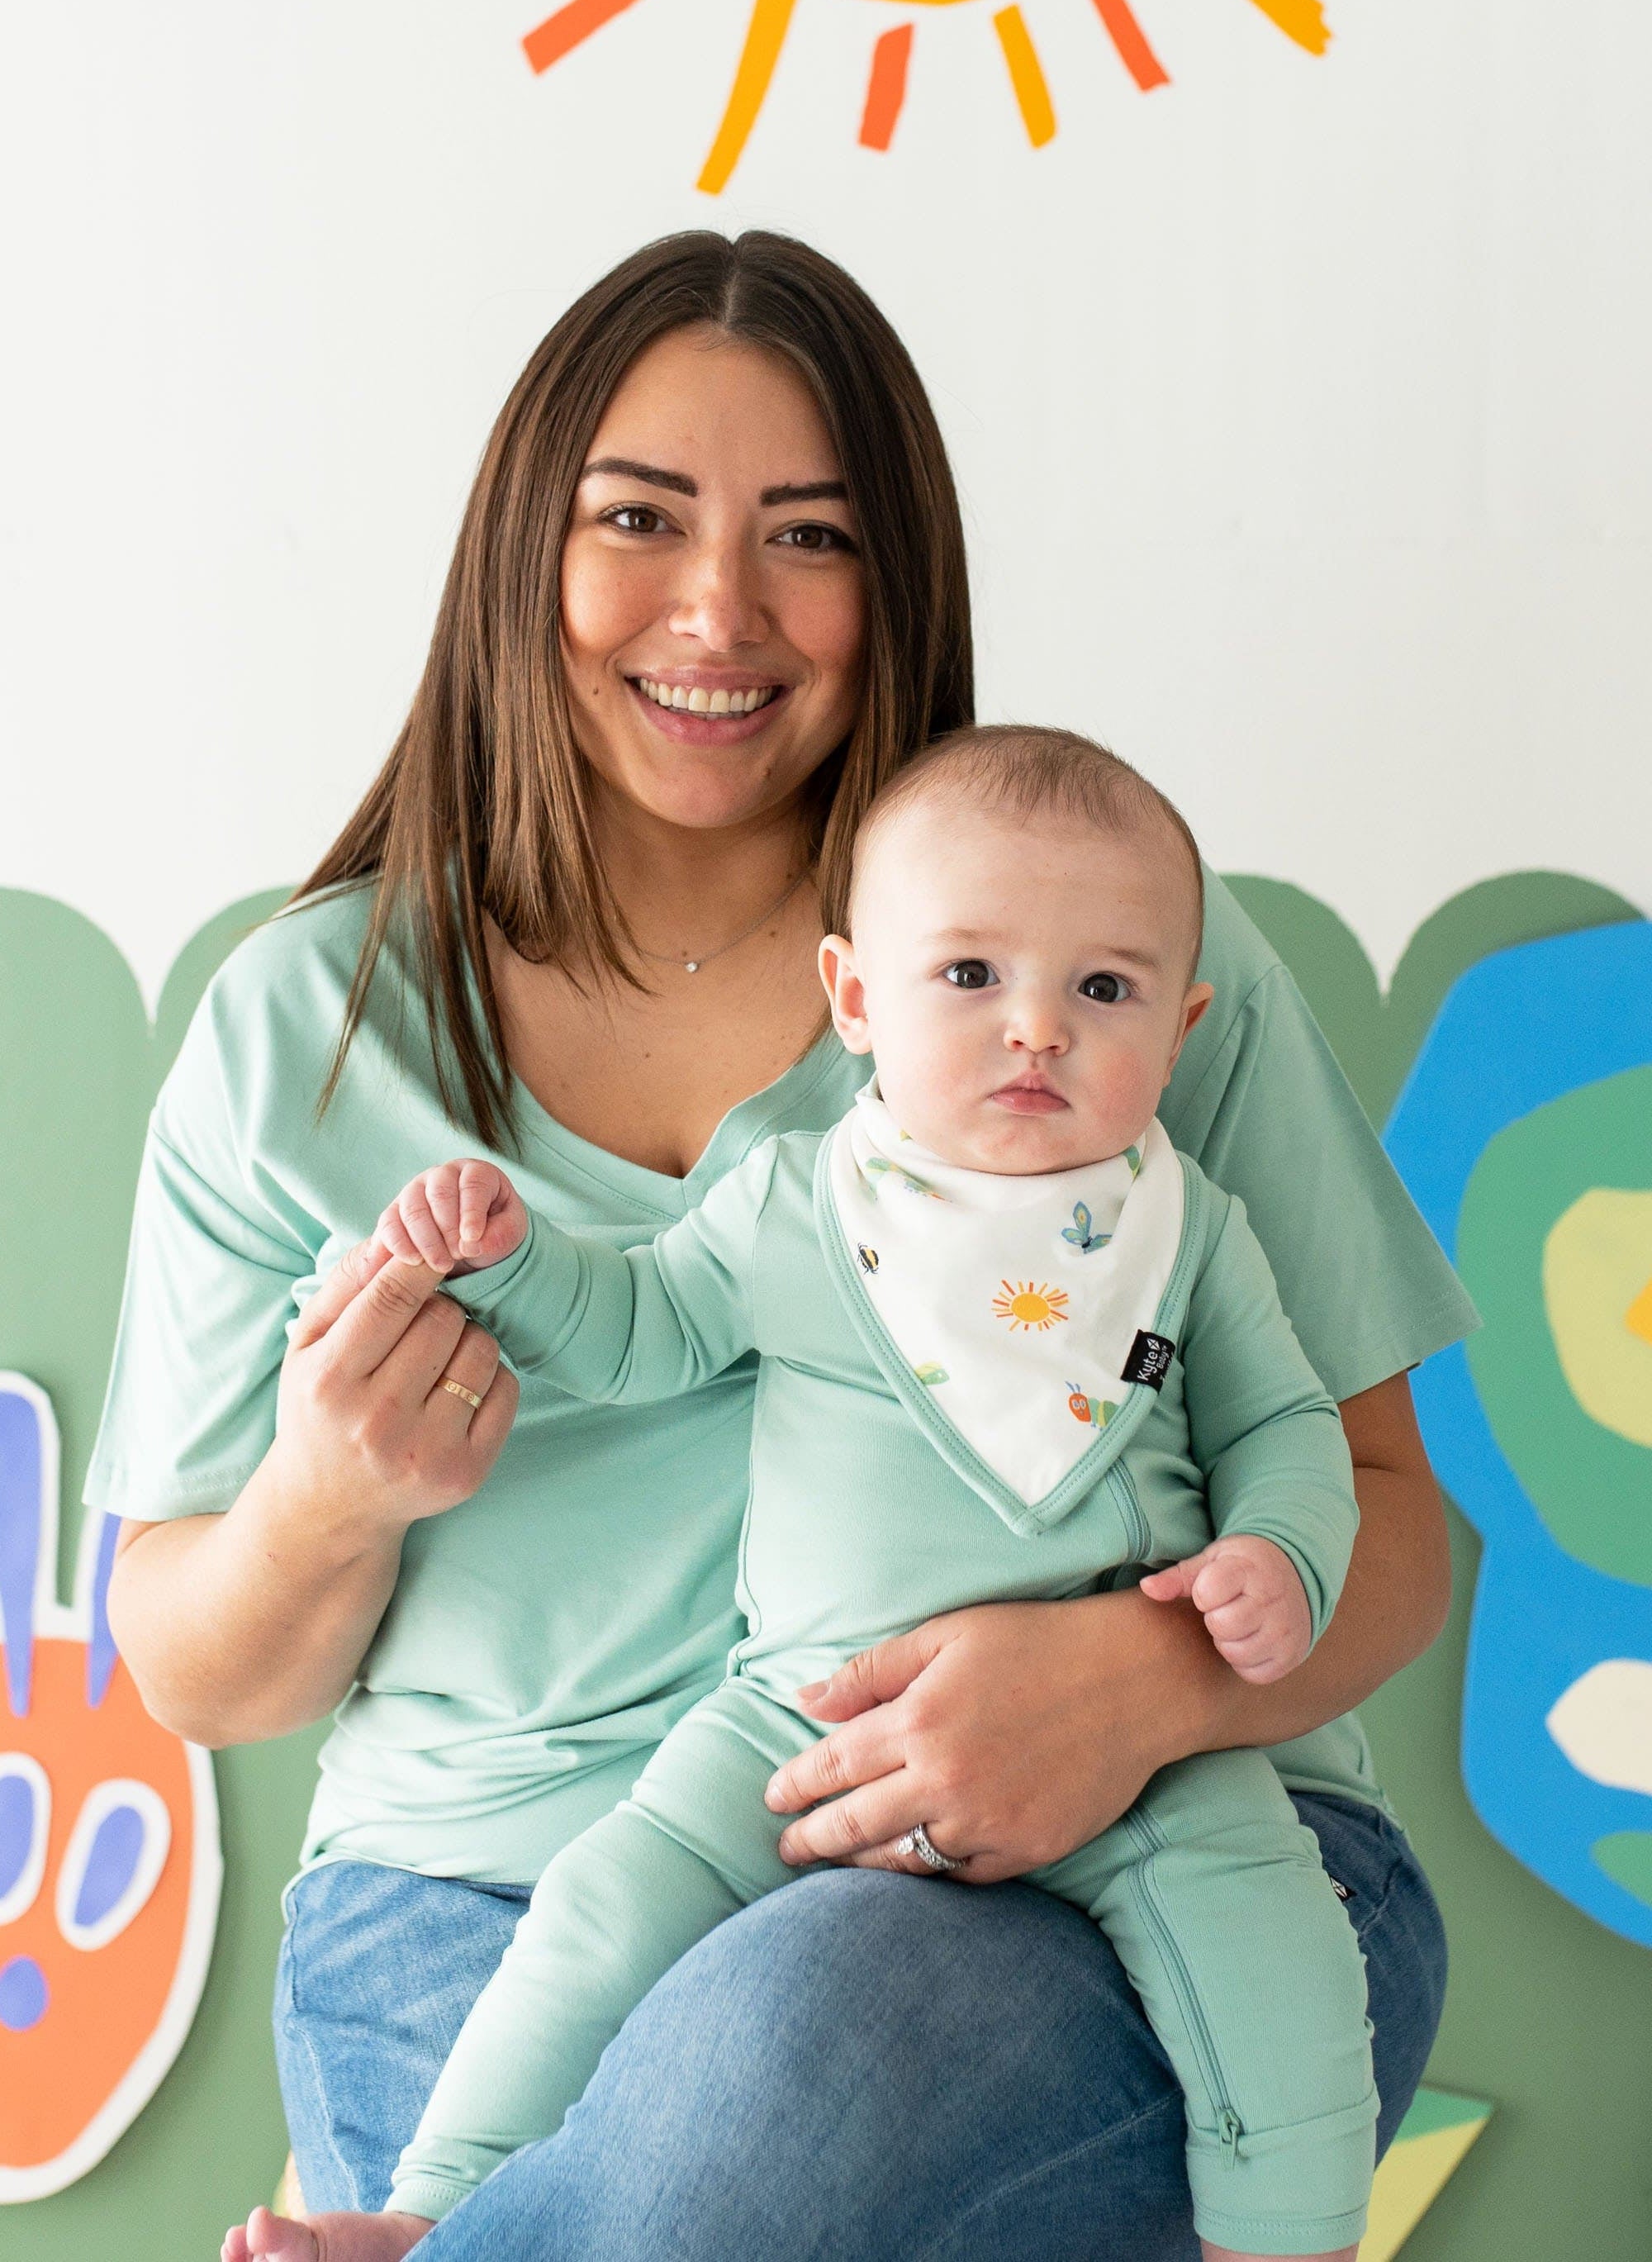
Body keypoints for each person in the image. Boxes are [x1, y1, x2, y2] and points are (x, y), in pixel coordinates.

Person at [91, 229, 1467, 2261]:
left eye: (808, 536)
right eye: (637, 518)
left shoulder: (1099, 953)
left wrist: (1134, 1687)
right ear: (522, 552)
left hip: (1122, 1856)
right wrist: (327, 1497)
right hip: (482, 1907)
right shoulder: (307, 1023)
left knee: (776, 2052)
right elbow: (200, 1674)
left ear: (895, 580)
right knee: (678, 2129)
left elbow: (1389, 1524)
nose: (718, 609)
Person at [225, 726, 1380, 2262]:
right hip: (799, 1721)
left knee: (1285, 1961)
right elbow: (640, 1330)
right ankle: (429, 2211)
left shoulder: (1188, 1232)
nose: (1037, 1028)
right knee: (605, 1909)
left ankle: (1284, 2240)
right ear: (856, 999)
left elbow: (1289, 1424)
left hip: (1132, 1740)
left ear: (1181, 1030)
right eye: (969, 975)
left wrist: (1281, 1552)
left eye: (1104, 991)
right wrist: (515, 1263)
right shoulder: (801, 1205)